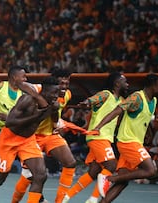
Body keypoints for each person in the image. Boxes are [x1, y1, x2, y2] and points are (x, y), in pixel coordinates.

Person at [0, 77, 60, 203]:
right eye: (54, 93)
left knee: (40, 175)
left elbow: (54, 117)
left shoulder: (53, 104)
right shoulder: (27, 100)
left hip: (27, 140)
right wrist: (35, 117)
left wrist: (55, 116)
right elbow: (9, 122)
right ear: (44, 91)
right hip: (9, 140)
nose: (56, 96)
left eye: (58, 92)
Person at [94, 73, 158, 202]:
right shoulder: (136, 98)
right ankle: (109, 178)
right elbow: (117, 111)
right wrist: (99, 126)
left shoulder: (153, 101)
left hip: (135, 142)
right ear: (152, 86)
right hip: (128, 142)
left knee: (123, 181)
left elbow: (144, 119)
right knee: (151, 170)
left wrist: (149, 133)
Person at [62, 72, 129, 203]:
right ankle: (93, 199)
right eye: (124, 81)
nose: (127, 84)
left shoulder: (121, 101)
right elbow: (93, 99)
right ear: (116, 83)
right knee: (111, 165)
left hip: (105, 138)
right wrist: (87, 103)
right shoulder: (106, 94)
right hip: (98, 137)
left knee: (93, 172)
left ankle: (66, 196)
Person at [12, 69, 74, 203]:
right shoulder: (39, 88)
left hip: (50, 135)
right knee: (28, 176)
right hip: (31, 136)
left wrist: (57, 122)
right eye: (61, 83)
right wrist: (41, 99)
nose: (64, 87)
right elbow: (21, 84)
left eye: (66, 83)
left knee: (70, 163)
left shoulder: (67, 95)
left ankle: (60, 201)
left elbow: (55, 114)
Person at [0, 66, 28, 202]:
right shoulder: (0, 87)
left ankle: (38, 198)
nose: (25, 79)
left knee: (31, 167)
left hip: (15, 135)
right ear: (14, 77)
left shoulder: (23, 94)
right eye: (23, 76)